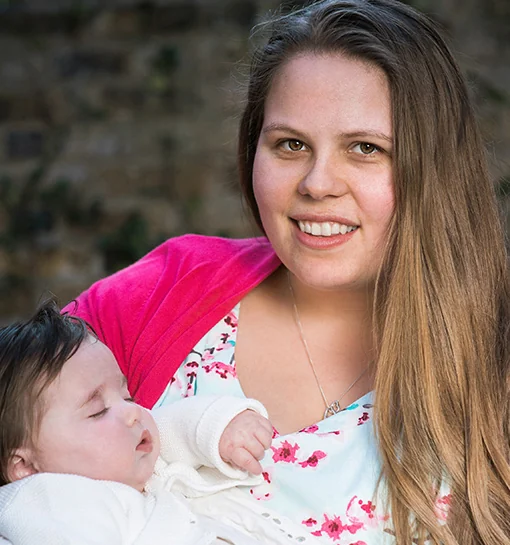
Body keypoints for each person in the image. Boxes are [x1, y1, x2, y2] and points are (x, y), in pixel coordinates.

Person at [61, 0, 510, 543]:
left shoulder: (494, 358)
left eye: (365, 148)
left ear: (433, 169)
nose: (318, 184)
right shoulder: (164, 289)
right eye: (291, 145)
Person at [0, 301, 317, 545]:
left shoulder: (126, 467)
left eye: (126, 396)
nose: (132, 412)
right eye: (97, 411)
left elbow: (170, 428)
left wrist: (220, 427)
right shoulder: (48, 502)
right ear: (25, 466)